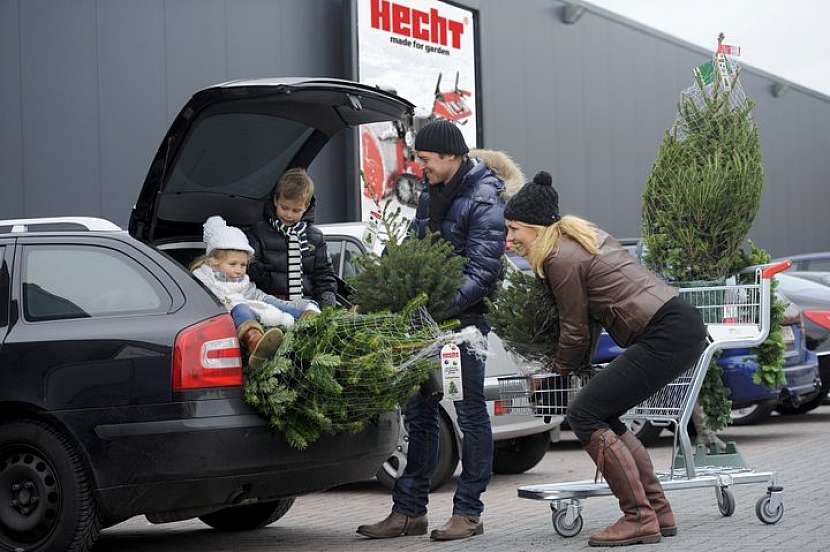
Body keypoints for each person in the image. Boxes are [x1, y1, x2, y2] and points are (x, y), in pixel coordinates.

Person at [503, 171, 707, 547]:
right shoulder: (581, 239)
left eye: (515, 229)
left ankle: (638, 517)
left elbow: (575, 328)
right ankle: (657, 511)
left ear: (536, 227)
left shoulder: (560, 257)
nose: (510, 238)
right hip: (677, 326)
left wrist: (554, 372)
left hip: (666, 332)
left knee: (584, 414)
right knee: (603, 414)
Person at [357, 120, 508, 541]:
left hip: (464, 325)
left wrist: (436, 305)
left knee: (469, 413)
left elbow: (483, 269)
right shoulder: (430, 194)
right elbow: (413, 246)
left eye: (425, 159)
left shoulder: (485, 197)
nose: (420, 167)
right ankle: (408, 512)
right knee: (418, 413)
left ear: (451, 156)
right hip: (424, 322)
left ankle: (469, 513)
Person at [191, 216, 318, 370]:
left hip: (250, 307)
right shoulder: (205, 279)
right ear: (214, 262)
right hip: (228, 317)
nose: (238, 270)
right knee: (241, 308)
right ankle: (255, 341)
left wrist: (272, 301)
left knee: (270, 302)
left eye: (243, 265)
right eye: (233, 264)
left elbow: (256, 295)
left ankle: (310, 319)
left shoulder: (242, 281)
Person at [246, 168, 339, 310]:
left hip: (307, 310)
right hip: (270, 308)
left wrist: (327, 309)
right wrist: (258, 271)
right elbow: (247, 274)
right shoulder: (257, 233)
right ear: (276, 200)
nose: (289, 215)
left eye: (296, 210)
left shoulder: (315, 238)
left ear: (306, 207)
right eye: (285, 208)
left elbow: (324, 278)